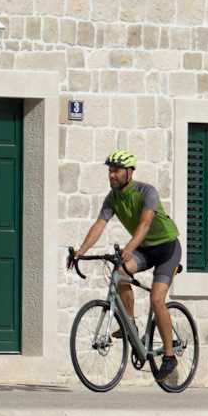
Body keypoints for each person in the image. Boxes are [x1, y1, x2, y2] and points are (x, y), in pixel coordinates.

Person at [67, 149, 183, 381]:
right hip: (145, 250)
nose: (112, 175)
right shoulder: (113, 198)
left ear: (129, 172)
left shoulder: (146, 192)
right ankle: (131, 323)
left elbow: (145, 224)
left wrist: (128, 249)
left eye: (117, 171)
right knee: (119, 273)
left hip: (167, 248)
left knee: (157, 299)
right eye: (110, 171)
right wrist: (81, 251)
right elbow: (100, 225)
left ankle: (169, 356)